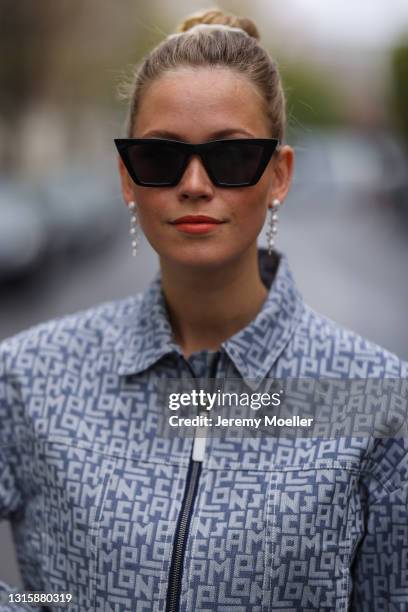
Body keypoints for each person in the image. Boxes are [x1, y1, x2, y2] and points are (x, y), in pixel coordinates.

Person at [0, 7, 407, 612]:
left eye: (233, 158)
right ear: (126, 177)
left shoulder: (370, 393)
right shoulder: (31, 374)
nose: (194, 183)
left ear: (279, 176)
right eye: (160, 158)